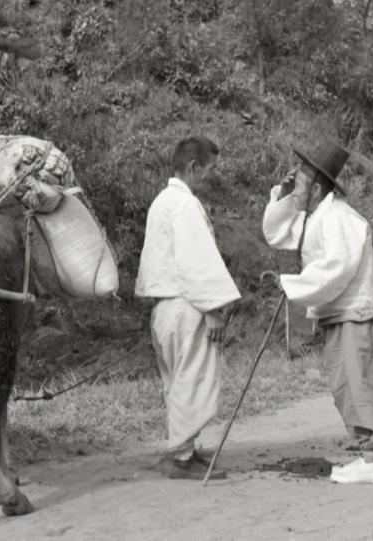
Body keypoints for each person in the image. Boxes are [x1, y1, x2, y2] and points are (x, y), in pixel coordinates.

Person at [262, 141, 373, 484]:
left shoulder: (340, 218)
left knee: (360, 384)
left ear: (317, 188)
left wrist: (292, 285)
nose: (295, 185)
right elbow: (276, 232)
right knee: (344, 385)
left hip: (358, 315)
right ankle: (367, 457)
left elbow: (337, 267)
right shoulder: (317, 216)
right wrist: (287, 192)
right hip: (342, 315)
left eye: (302, 181)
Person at [135, 136, 241, 480]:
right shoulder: (185, 205)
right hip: (185, 305)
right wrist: (214, 308)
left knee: (178, 381)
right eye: (209, 170)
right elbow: (196, 262)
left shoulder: (161, 202)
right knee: (192, 379)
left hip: (165, 309)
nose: (210, 177)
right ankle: (181, 459)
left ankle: (185, 449)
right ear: (193, 168)